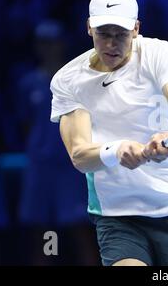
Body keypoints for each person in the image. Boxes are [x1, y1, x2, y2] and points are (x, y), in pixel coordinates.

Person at [50, 0, 168, 266]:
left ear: (136, 29)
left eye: (120, 34)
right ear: (89, 28)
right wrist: (117, 150)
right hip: (117, 215)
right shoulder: (68, 80)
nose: (111, 44)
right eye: (103, 34)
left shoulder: (159, 53)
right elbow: (79, 155)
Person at [18, 20, 99, 265]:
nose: (48, 48)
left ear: (61, 44)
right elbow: (23, 124)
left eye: (52, 42)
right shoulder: (27, 83)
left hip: (71, 167)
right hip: (40, 168)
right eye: (43, 43)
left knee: (80, 231)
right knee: (40, 234)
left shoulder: (77, 82)